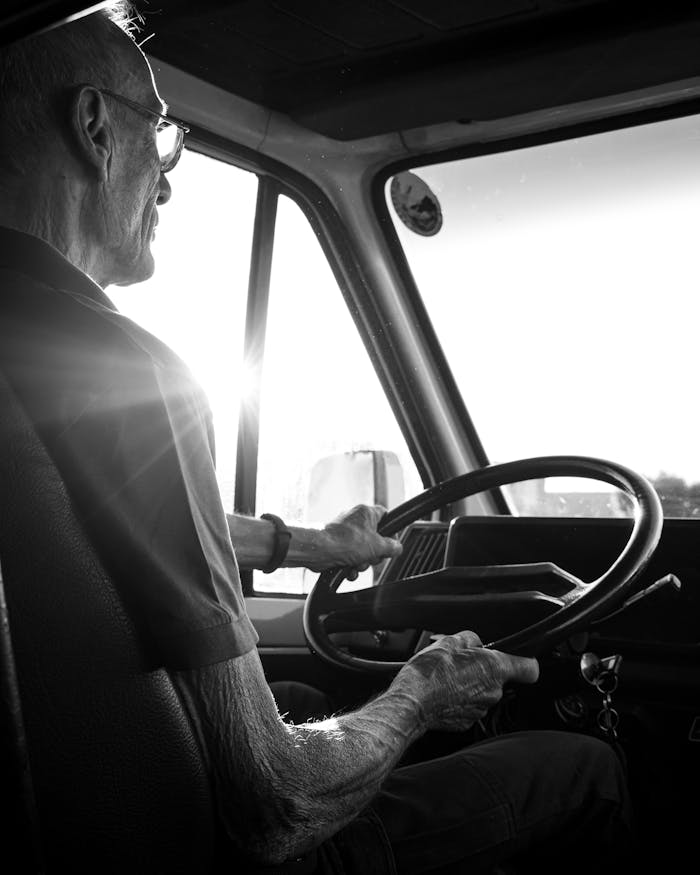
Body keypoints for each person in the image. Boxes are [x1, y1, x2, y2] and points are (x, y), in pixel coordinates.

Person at [0, 5, 633, 874]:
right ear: (94, 127)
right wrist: (419, 694)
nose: (169, 178)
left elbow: (94, 535)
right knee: (582, 766)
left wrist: (316, 544)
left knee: (301, 691)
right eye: (164, 135)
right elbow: (276, 802)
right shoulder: (123, 367)